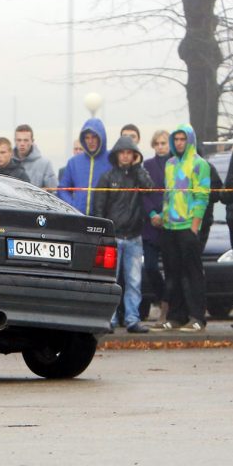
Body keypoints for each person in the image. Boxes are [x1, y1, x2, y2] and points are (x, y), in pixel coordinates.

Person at [92, 136, 153, 333]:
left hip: (134, 237)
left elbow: (149, 188)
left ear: (134, 155)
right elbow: (98, 208)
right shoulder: (107, 177)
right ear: (117, 155)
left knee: (134, 282)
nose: (126, 156)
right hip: (114, 238)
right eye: (123, 152)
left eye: (130, 153)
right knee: (110, 281)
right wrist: (103, 235)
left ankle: (132, 319)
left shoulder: (138, 176)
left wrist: (137, 167)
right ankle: (109, 319)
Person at [156, 124, 210, 332]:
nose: (179, 143)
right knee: (173, 274)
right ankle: (176, 316)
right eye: (176, 139)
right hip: (169, 227)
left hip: (188, 227)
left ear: (190, 141)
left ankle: (197, 317)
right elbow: (168, 195)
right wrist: (163, 216)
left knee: (192, 274)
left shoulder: (199, 164)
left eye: (182, 139)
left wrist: (195, 226)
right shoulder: (169, 164)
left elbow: (202, 196)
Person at [142, 130, 171, 323]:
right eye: (157, 143)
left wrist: (164, 214)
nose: (160, 146)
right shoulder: (147, 165)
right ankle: (160, 298)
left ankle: (167, 307)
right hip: (151, 225)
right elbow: (144, 193)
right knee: (151, 267)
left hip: (169, 222)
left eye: (163, 143)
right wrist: (152, 213)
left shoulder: (174, 164)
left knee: (170, 269)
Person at [58, 118, 111, 214]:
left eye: (94, 137)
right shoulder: (73, 162)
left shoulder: (111, 160)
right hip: (79, 219)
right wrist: (73, 206)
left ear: (101, 137)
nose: (90, 141)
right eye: (87, 137)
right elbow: (62, 190)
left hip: (104, 219)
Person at [13, 124, 57, 188]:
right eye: (19, 140)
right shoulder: (7, 163)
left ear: (32, 141)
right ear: (15, 141)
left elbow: (53, 190)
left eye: (26, 140)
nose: (22, 144)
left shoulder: (45, 164)